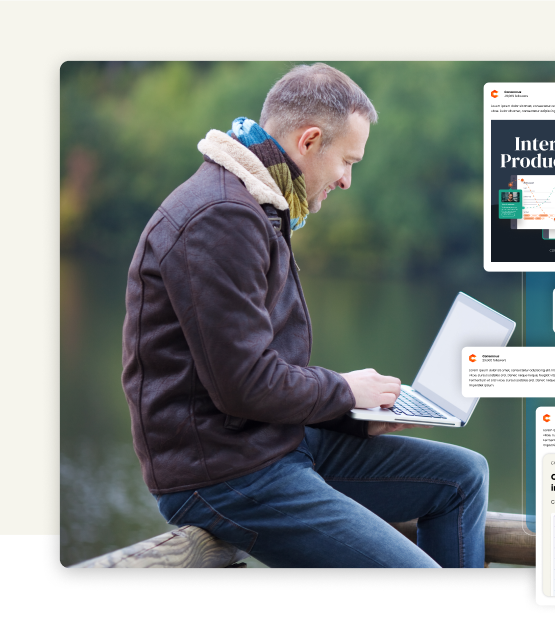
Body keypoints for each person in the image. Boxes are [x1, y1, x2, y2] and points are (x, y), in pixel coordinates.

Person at [121, 63, 488, 568]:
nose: (347, 181)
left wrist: (354, 415)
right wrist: (345, 391)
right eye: (347, 161)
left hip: (273, 444)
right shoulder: (221, 217)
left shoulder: (258, 202)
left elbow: (255, 374)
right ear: (310, 141)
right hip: (223, 473)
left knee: (463, 478)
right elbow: (242, 386)